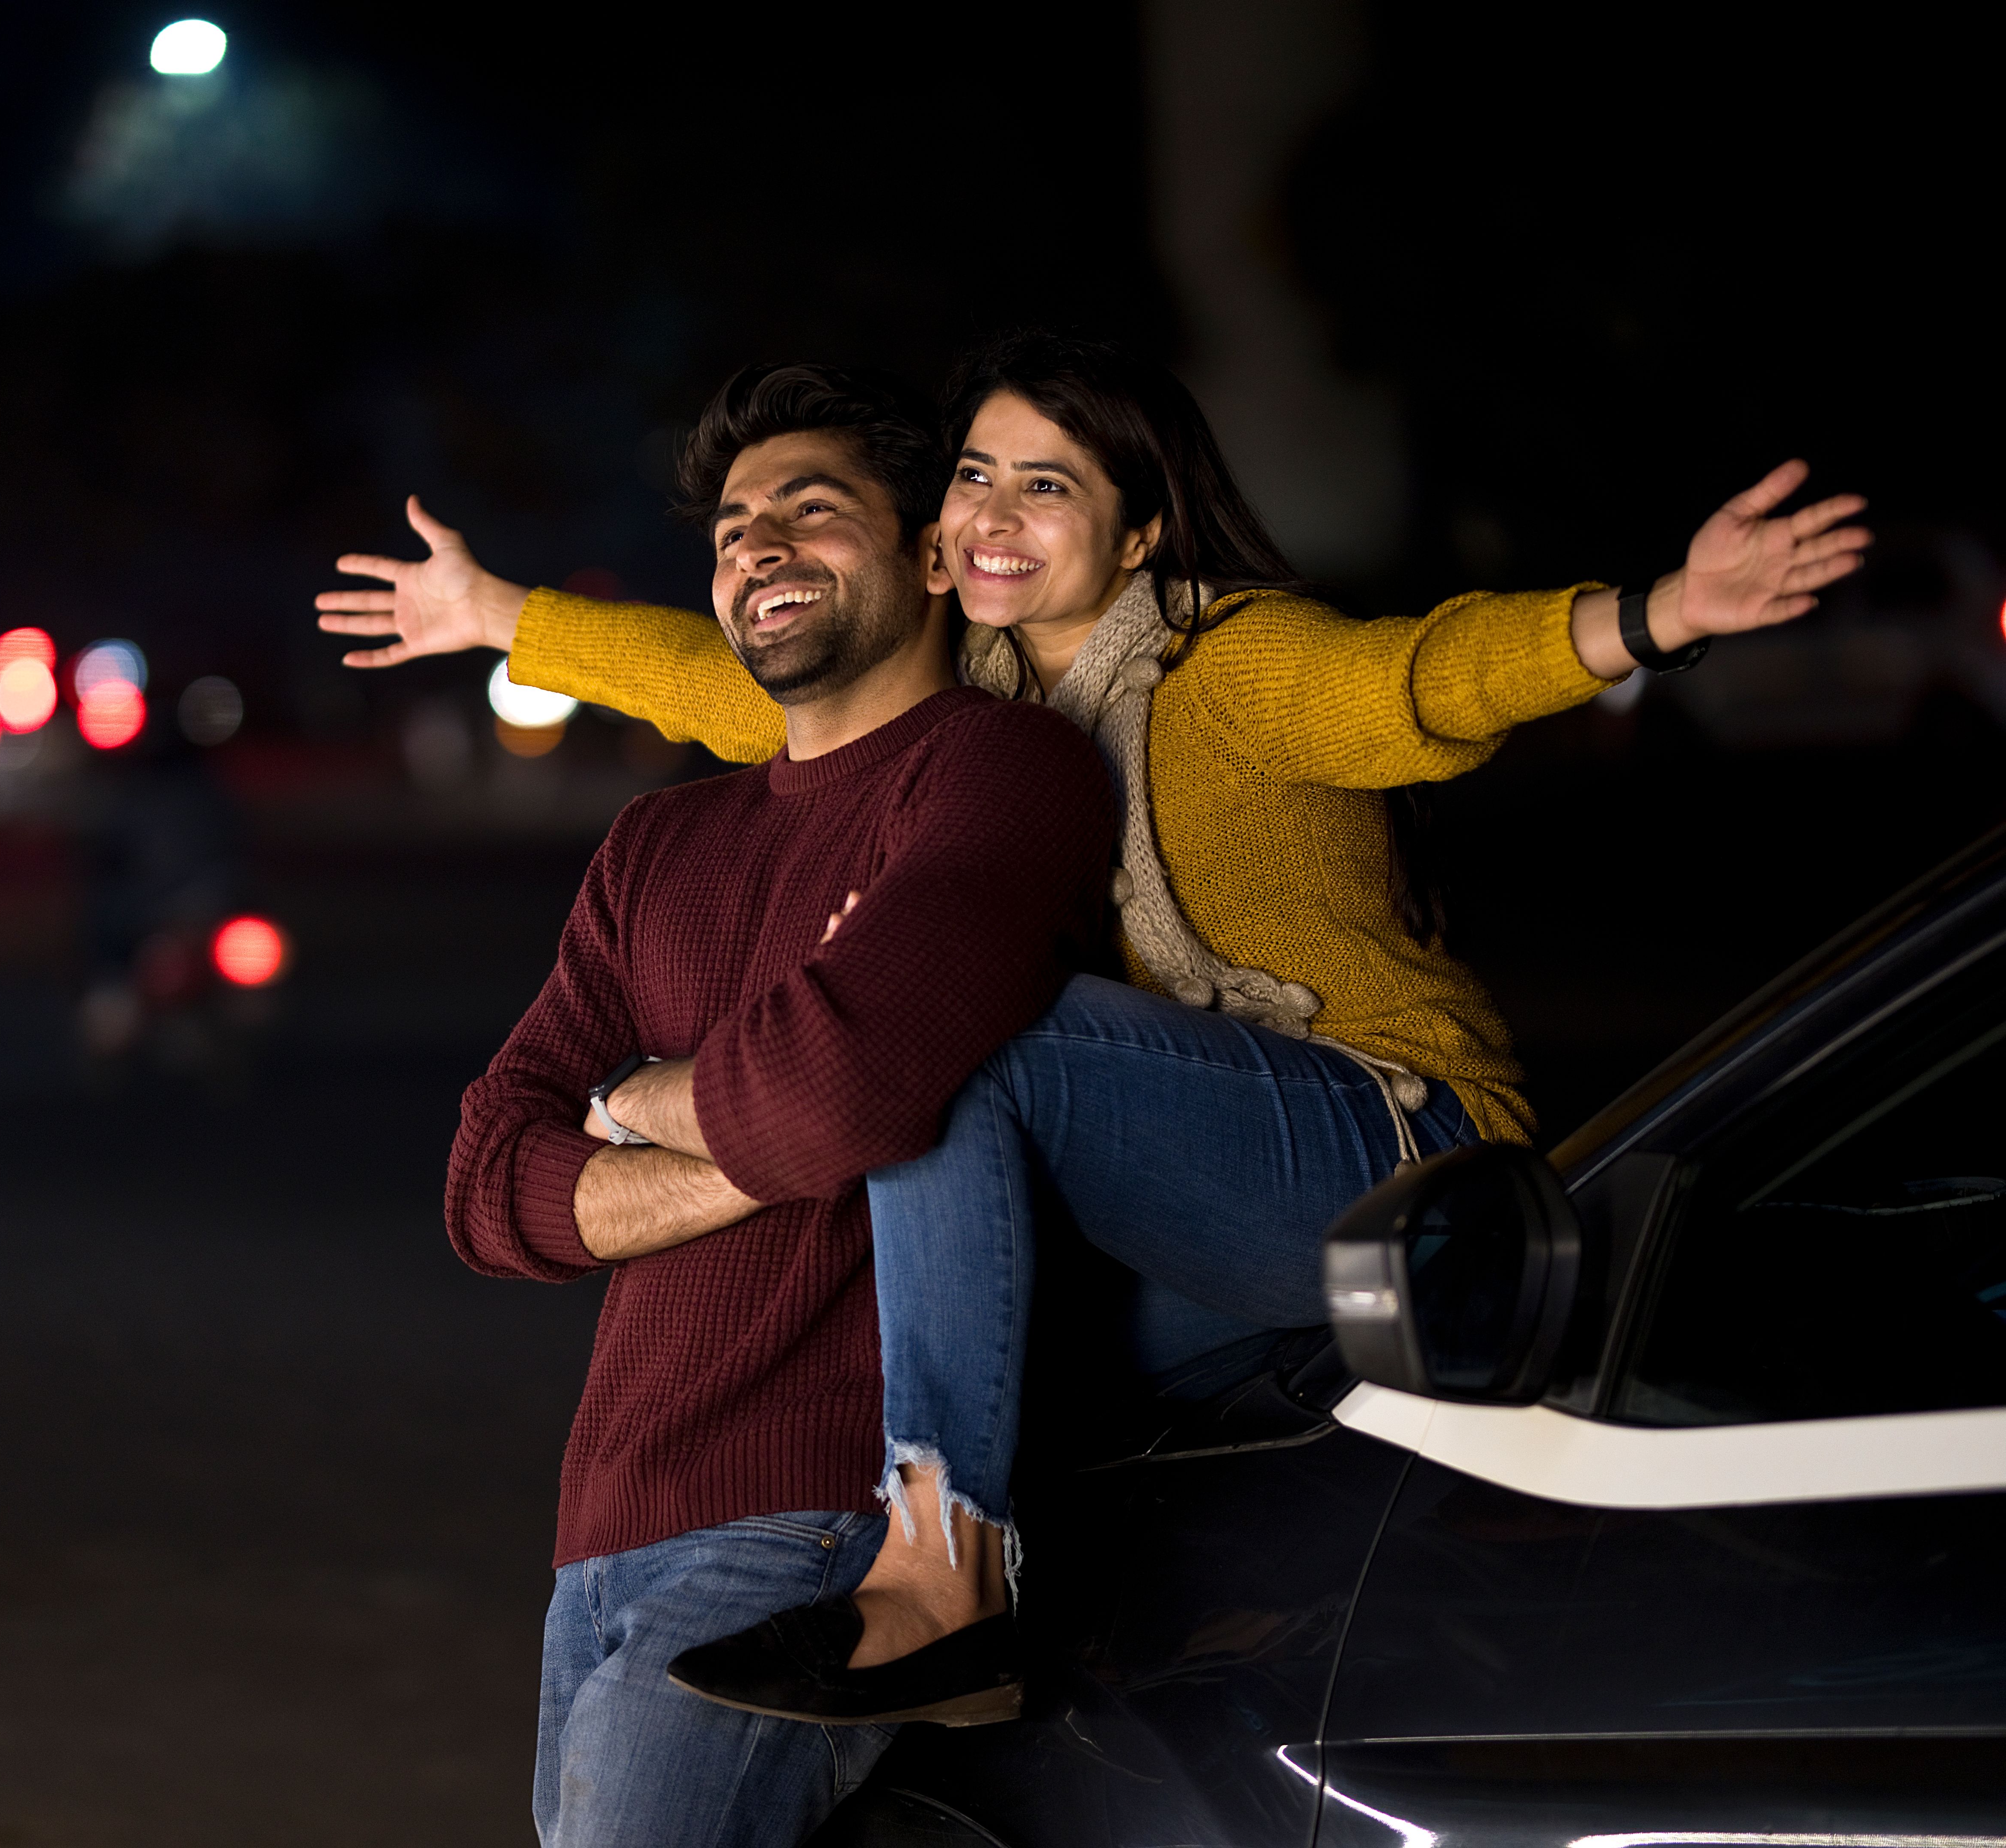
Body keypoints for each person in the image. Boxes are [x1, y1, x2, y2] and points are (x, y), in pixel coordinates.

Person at [331, 329, 1873, 1726]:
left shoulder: (1233, 661)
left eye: (1050, 486)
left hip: (1395, 1151)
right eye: (979, 478)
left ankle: (944, 1582)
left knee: (971, 1049)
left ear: (1138, 531)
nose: (997, 513)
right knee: (1008, 1348)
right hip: (1210, 1209)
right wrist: (495, 615)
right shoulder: (973, 693)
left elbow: (1426, 678)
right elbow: (721, 686)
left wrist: (1665, 612)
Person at [447, 360, 1116, 1845]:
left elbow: (847, 1084)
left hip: (823, 1525)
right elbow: (489, 1185)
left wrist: (631, 1120)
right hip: (600, 1532)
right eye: (736, 527)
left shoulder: (998, 773)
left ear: (935, 556)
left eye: (812, 514)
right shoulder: (656, 843)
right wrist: (716, 1114)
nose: (758, 548)